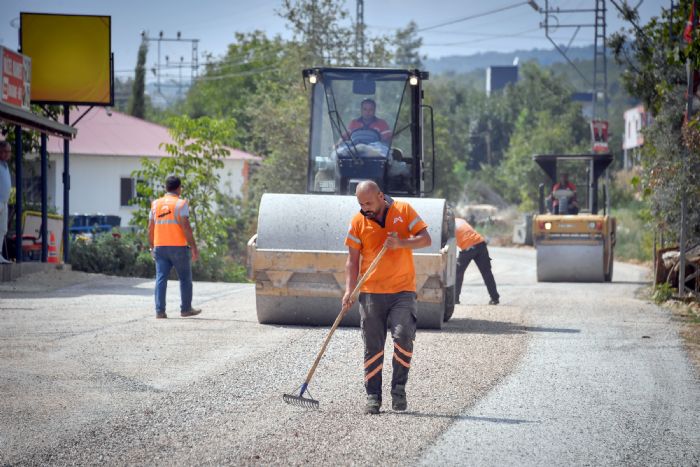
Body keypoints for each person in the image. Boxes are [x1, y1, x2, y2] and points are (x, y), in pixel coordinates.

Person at [343, 180, 431, 414]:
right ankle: (373, 397)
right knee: (373, 346)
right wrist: (349, 290)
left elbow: (426, 239)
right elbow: (352, 261)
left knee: (403, 337)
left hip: (402, 291)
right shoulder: (357, 222)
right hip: (371, 292)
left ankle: (398, 389)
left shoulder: (404, 210)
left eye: (369, 203)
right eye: (361, 203)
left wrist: (401, 243)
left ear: (381, 196)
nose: (365, 208)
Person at [148, 175, 201, 319]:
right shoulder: (181, 204)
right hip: (178, 247)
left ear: (166, 188)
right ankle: (185, 309)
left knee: (161, 278)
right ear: (179, 188)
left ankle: (160, 311)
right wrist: (194, 247)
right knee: (184, 278)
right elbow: (186, 227)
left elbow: (150, 228)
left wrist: (152, 246)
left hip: (160, 246)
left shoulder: (155, 204)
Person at [454, 218, 500, 306]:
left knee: (458, 273)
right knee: (487, 273)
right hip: (481, 243)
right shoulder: (460, 220)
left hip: (468, 247)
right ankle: (495, 298)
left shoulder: (448, 224)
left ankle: (455, 299)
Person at [0, 141, 12, 264]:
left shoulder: (5, 165)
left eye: (9, 151)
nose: (8, 154)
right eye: (6, 151)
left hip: (4, 202)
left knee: (2, 229)